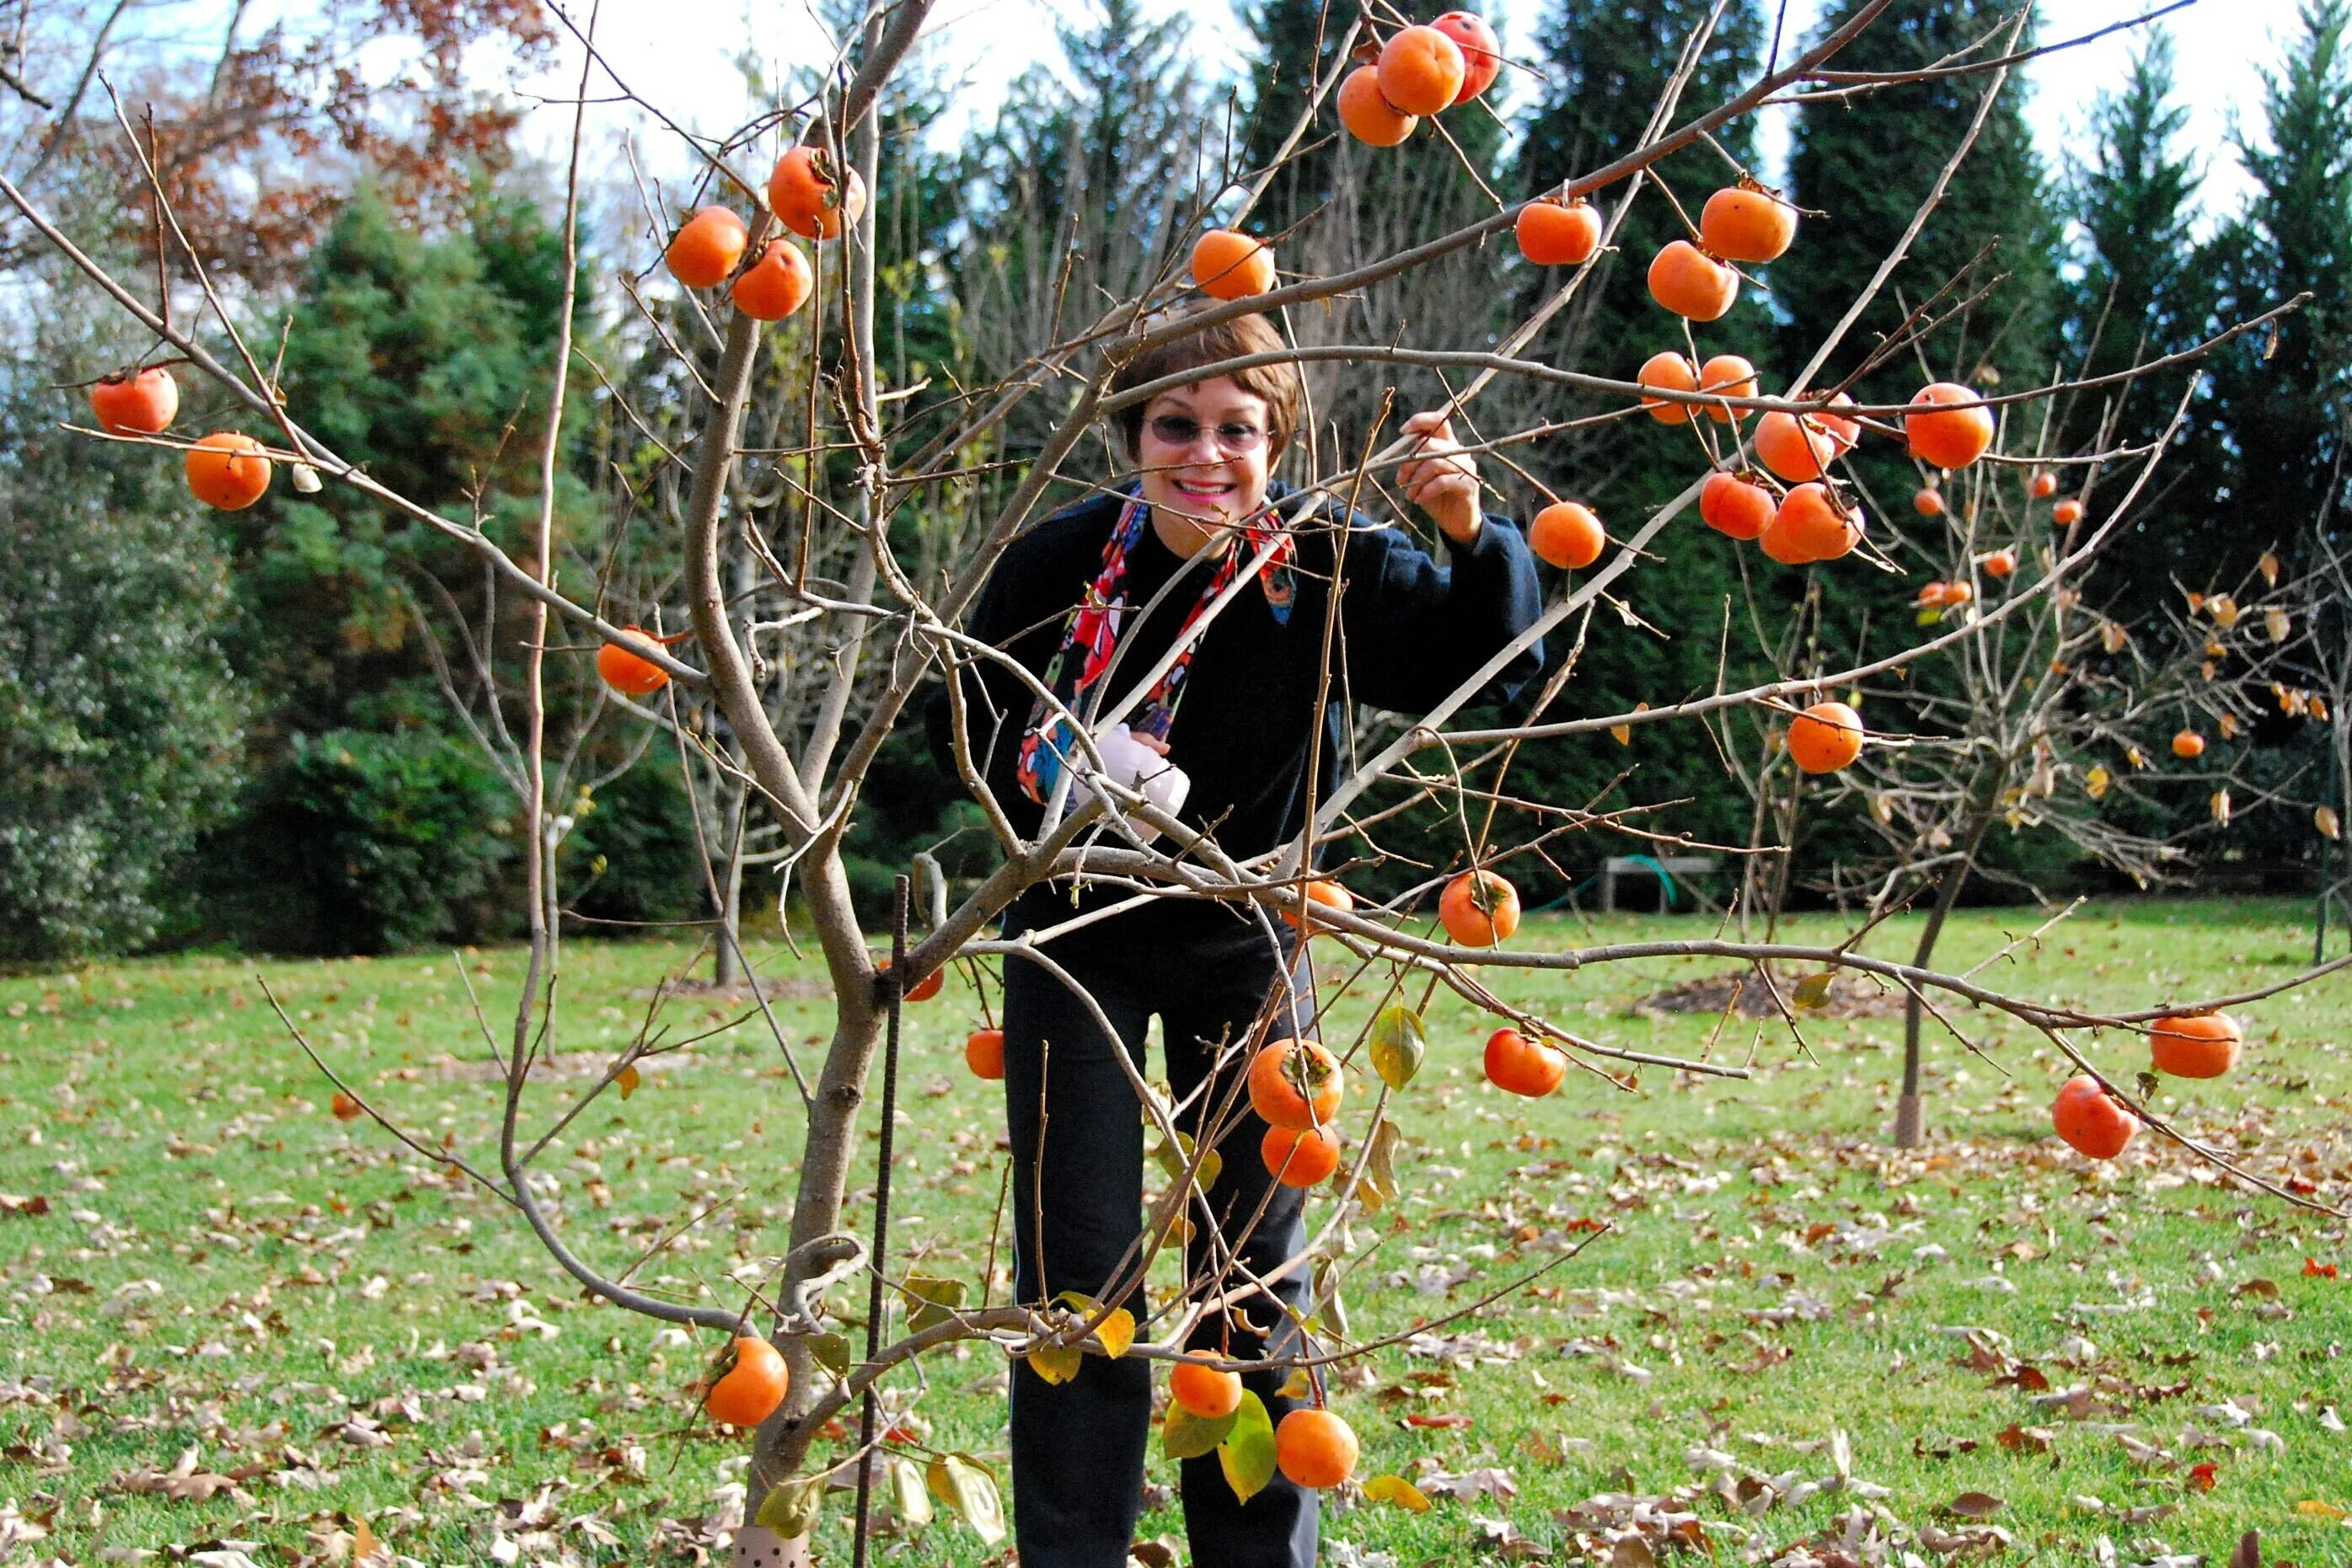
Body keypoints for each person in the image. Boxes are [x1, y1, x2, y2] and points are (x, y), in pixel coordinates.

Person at [926, 308, 1544, 1568]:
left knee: (1250, 1271)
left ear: (1278, 441)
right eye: (1175, 426)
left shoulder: (1328, 563)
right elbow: (965, 712)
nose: (1204, 455)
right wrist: (1061, 762)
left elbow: (1492, 664)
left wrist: (1471, 531)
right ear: (1131, 435)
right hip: (1073, 933)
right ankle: (1072, 1554)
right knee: (1077, 1276)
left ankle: (1262, 1558)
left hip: (1249, 939)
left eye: (1237, 430)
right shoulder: (1059, 565)